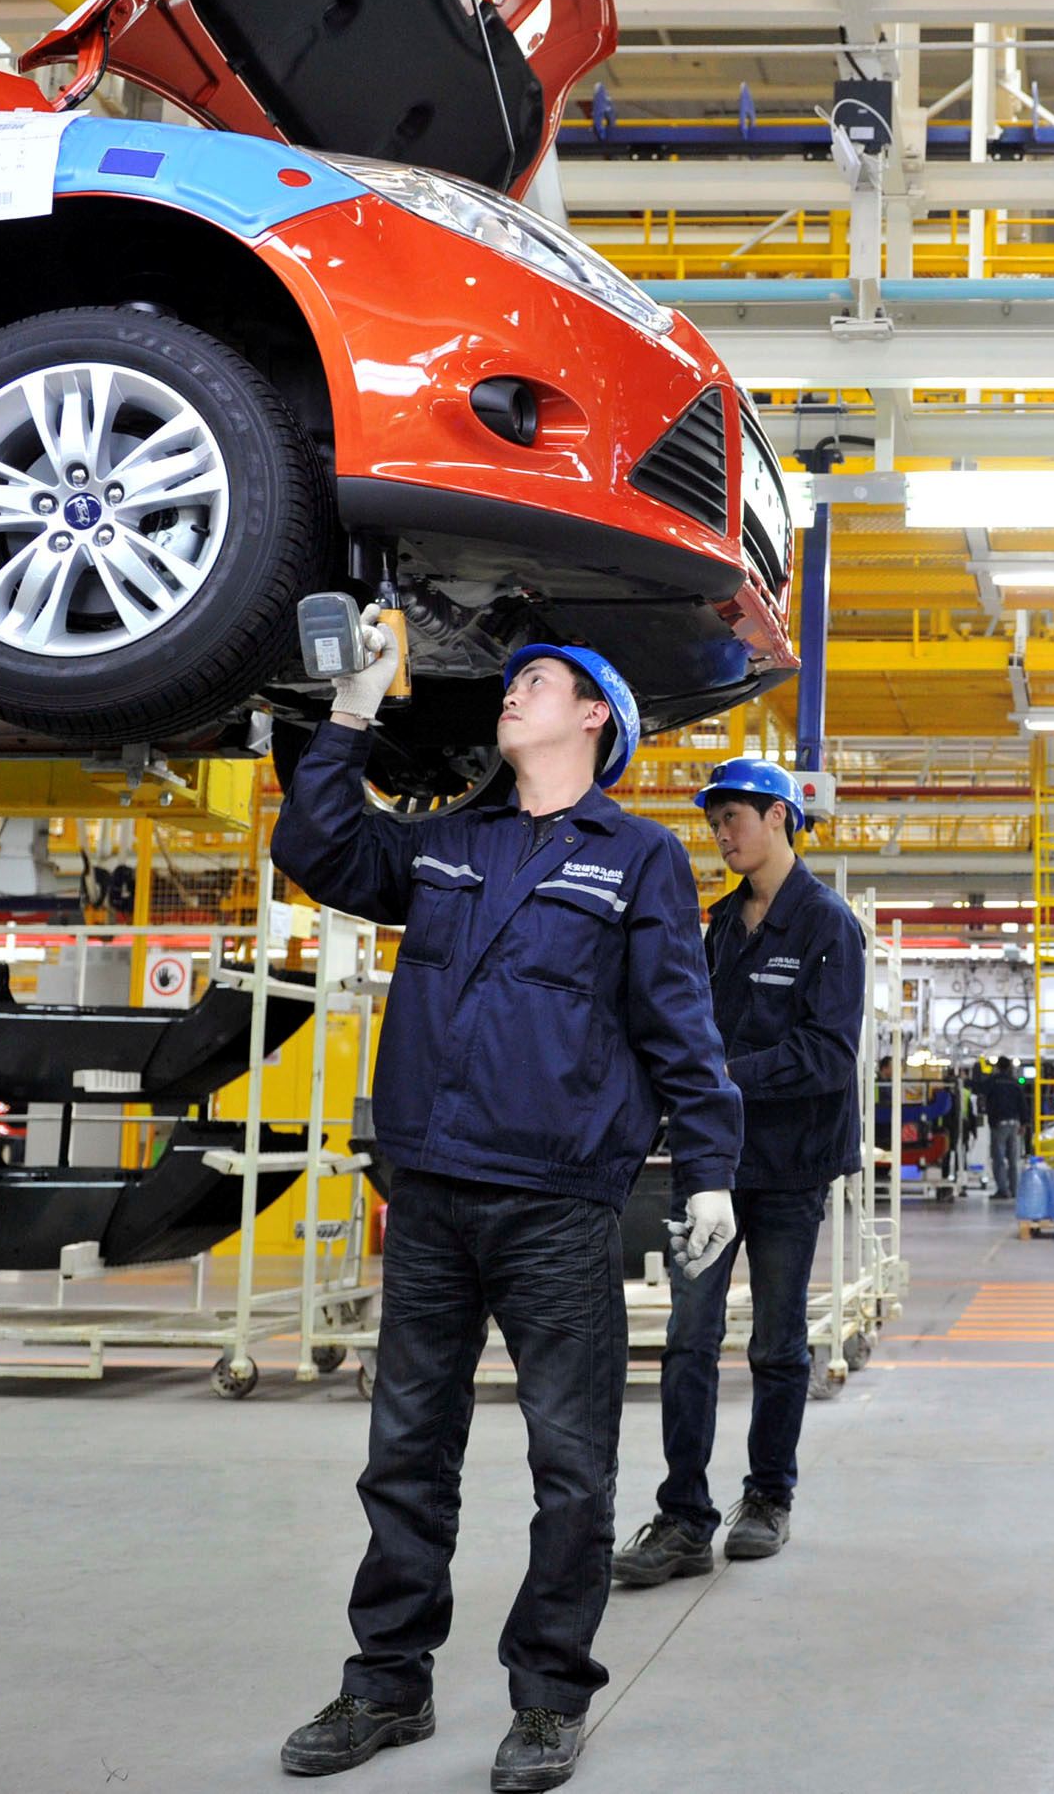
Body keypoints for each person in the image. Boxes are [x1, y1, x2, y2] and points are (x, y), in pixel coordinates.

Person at [274, 641, 744, 1792]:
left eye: (539, 680)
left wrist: (711, 1170)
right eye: (513, 680)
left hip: (555, 1201)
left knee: (572, 1464)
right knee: (405, 1453)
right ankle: (388, 1681)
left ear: (596, 716)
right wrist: (346, 708)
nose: (512, 690)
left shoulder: (636, 856)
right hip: (430, 1188)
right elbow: (320, 845)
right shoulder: (448, 842)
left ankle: (546, 1696)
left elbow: (679, 1020)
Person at [613, 759, 865, 1588]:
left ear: (780, 817)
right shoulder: (715, 926)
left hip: (790, 1167)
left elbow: (828, 1055)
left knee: (777, 1340)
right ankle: (685, 1516)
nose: (722, 834)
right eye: (715, 821)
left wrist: (721, 1078)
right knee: (688, 1338)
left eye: (735, 818)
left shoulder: (828, 926)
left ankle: (767, 1497)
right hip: (710, 1160)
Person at [987, 1052, 1028, 1199]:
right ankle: (1014, 1190)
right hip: (1015, 1124)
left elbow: (980, 1090)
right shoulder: (1015, 1082)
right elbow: (1022, 1103)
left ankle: (1002, 1190)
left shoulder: (993, 1081)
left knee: (998, 1158)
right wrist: (1024, 1123)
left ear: (997, 1067)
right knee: (1013, 1159)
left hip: (1000, 1124)